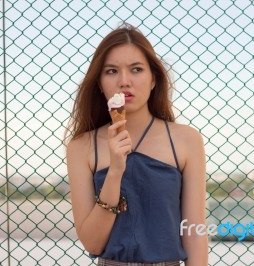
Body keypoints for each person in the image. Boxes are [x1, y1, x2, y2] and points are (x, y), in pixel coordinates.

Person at [65, 23, 208, 265]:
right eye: (111, 71)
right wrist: (115, 172)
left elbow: (194, 231)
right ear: (100, 83)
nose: (124, 81)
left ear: (154, 79)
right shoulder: (81, 147)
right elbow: (92, 243)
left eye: (136, 69)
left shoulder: (186, 140)